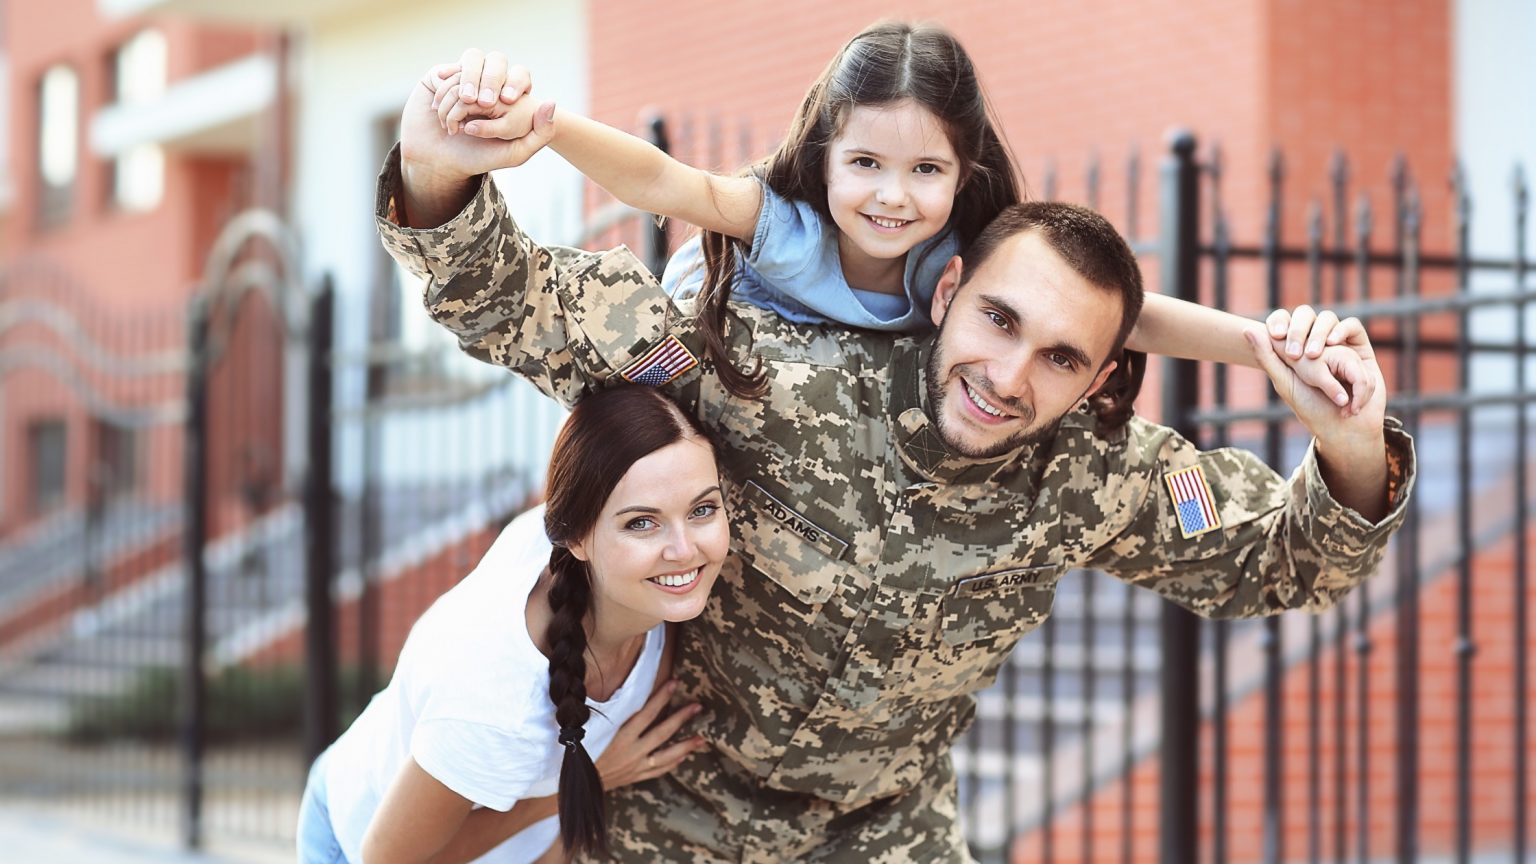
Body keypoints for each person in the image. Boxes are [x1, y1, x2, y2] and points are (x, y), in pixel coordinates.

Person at [379, 38, 1416, 864]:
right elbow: (517, 303)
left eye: (1061, 358)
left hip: (889, 831)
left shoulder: (1103, 474)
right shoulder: (755, 368)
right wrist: (435, 167)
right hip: (675, 812)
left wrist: (1351, 450)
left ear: (1103, 378)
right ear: (951, 289)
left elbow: (1285, 562)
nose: (1010, 377)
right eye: (999, 323)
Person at [424, 23, 1376, 410]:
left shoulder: (961, 261)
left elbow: (1127, 315)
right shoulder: (786, 225)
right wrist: (544, 128)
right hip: (689, 365)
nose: (891, 195)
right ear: (826, 156)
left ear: (963, 176)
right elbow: (667, 182)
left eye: (925, 169)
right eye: (866, 163)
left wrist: (1263, 346)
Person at [295, 385, 726, 864]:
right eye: (642, 523)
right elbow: (386, 858)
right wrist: (594, 777)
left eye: (702, 509)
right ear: (576, 537)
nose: (685, 549)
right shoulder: (495, 698)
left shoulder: (635, 587)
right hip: (353, 839)